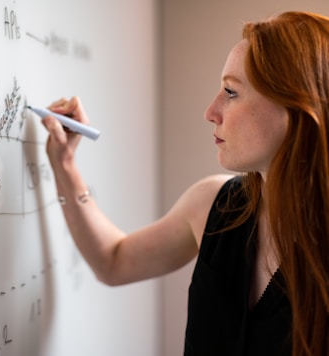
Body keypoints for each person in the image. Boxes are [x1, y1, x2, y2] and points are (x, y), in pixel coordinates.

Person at [41, 11, 329, 356]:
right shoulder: (214, 205)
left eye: (231, 92)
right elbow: (113, 261)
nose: (211, 110)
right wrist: (65, 164)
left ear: (295, 107)